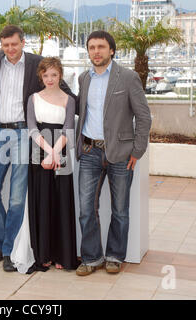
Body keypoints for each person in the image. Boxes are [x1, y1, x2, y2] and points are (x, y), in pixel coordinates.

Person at [0, 25, 73, 272]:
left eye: (14, 44)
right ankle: (1, 242)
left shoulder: (36, 62)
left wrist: (76, 109)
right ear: (1, 46)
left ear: (23, 42)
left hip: (25, 133)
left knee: (17, 197)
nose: (10, 49)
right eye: (5, 44)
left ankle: (9, 250)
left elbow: (60, 89)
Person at [75, 30, 152, 276]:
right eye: (91, 47)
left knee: (120, 209)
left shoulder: (128, 78)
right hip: (89, 151)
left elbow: (143, 116)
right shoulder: (84, 78)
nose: (95, 51)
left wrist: (138, 150)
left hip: (120, 153)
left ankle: (115, 256)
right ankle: (91, 257)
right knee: (87, 209)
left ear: (112, 50)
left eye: (100, 46)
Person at [26, 57, 79, 271]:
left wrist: (56, 152)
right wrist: (48, 153)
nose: (50, 79)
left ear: (60, 75)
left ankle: (62, 255)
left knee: (61, 200)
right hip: (39, 150)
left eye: (54, 75)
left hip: (62, 148)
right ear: (41, 76)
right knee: (42, 200)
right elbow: (31, 127)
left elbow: (68, 128)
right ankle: (44, 253)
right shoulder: (33, 98)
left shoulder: (69, 99)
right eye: (46, 75)